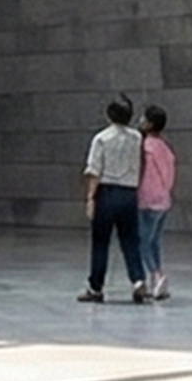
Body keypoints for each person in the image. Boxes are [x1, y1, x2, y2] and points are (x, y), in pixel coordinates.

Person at [80, 97, 150, 303]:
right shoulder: (137, 138)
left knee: (100, 242)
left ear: (109, 115)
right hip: (129, 193)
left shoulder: (101, 138)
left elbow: (94, 171)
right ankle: (138, 280)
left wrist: (90, 198)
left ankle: (96, 287)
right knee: (130, 240)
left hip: (107, 193)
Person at [137, 104, 178, 301]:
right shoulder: (165, 148)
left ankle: (155, 274)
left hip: (147, 200)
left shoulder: (146, 147)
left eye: (143, 119)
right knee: (154, 241)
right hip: (163, 199)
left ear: (150, 123)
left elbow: (145, 175)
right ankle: (157, 276)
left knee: (142, 241)